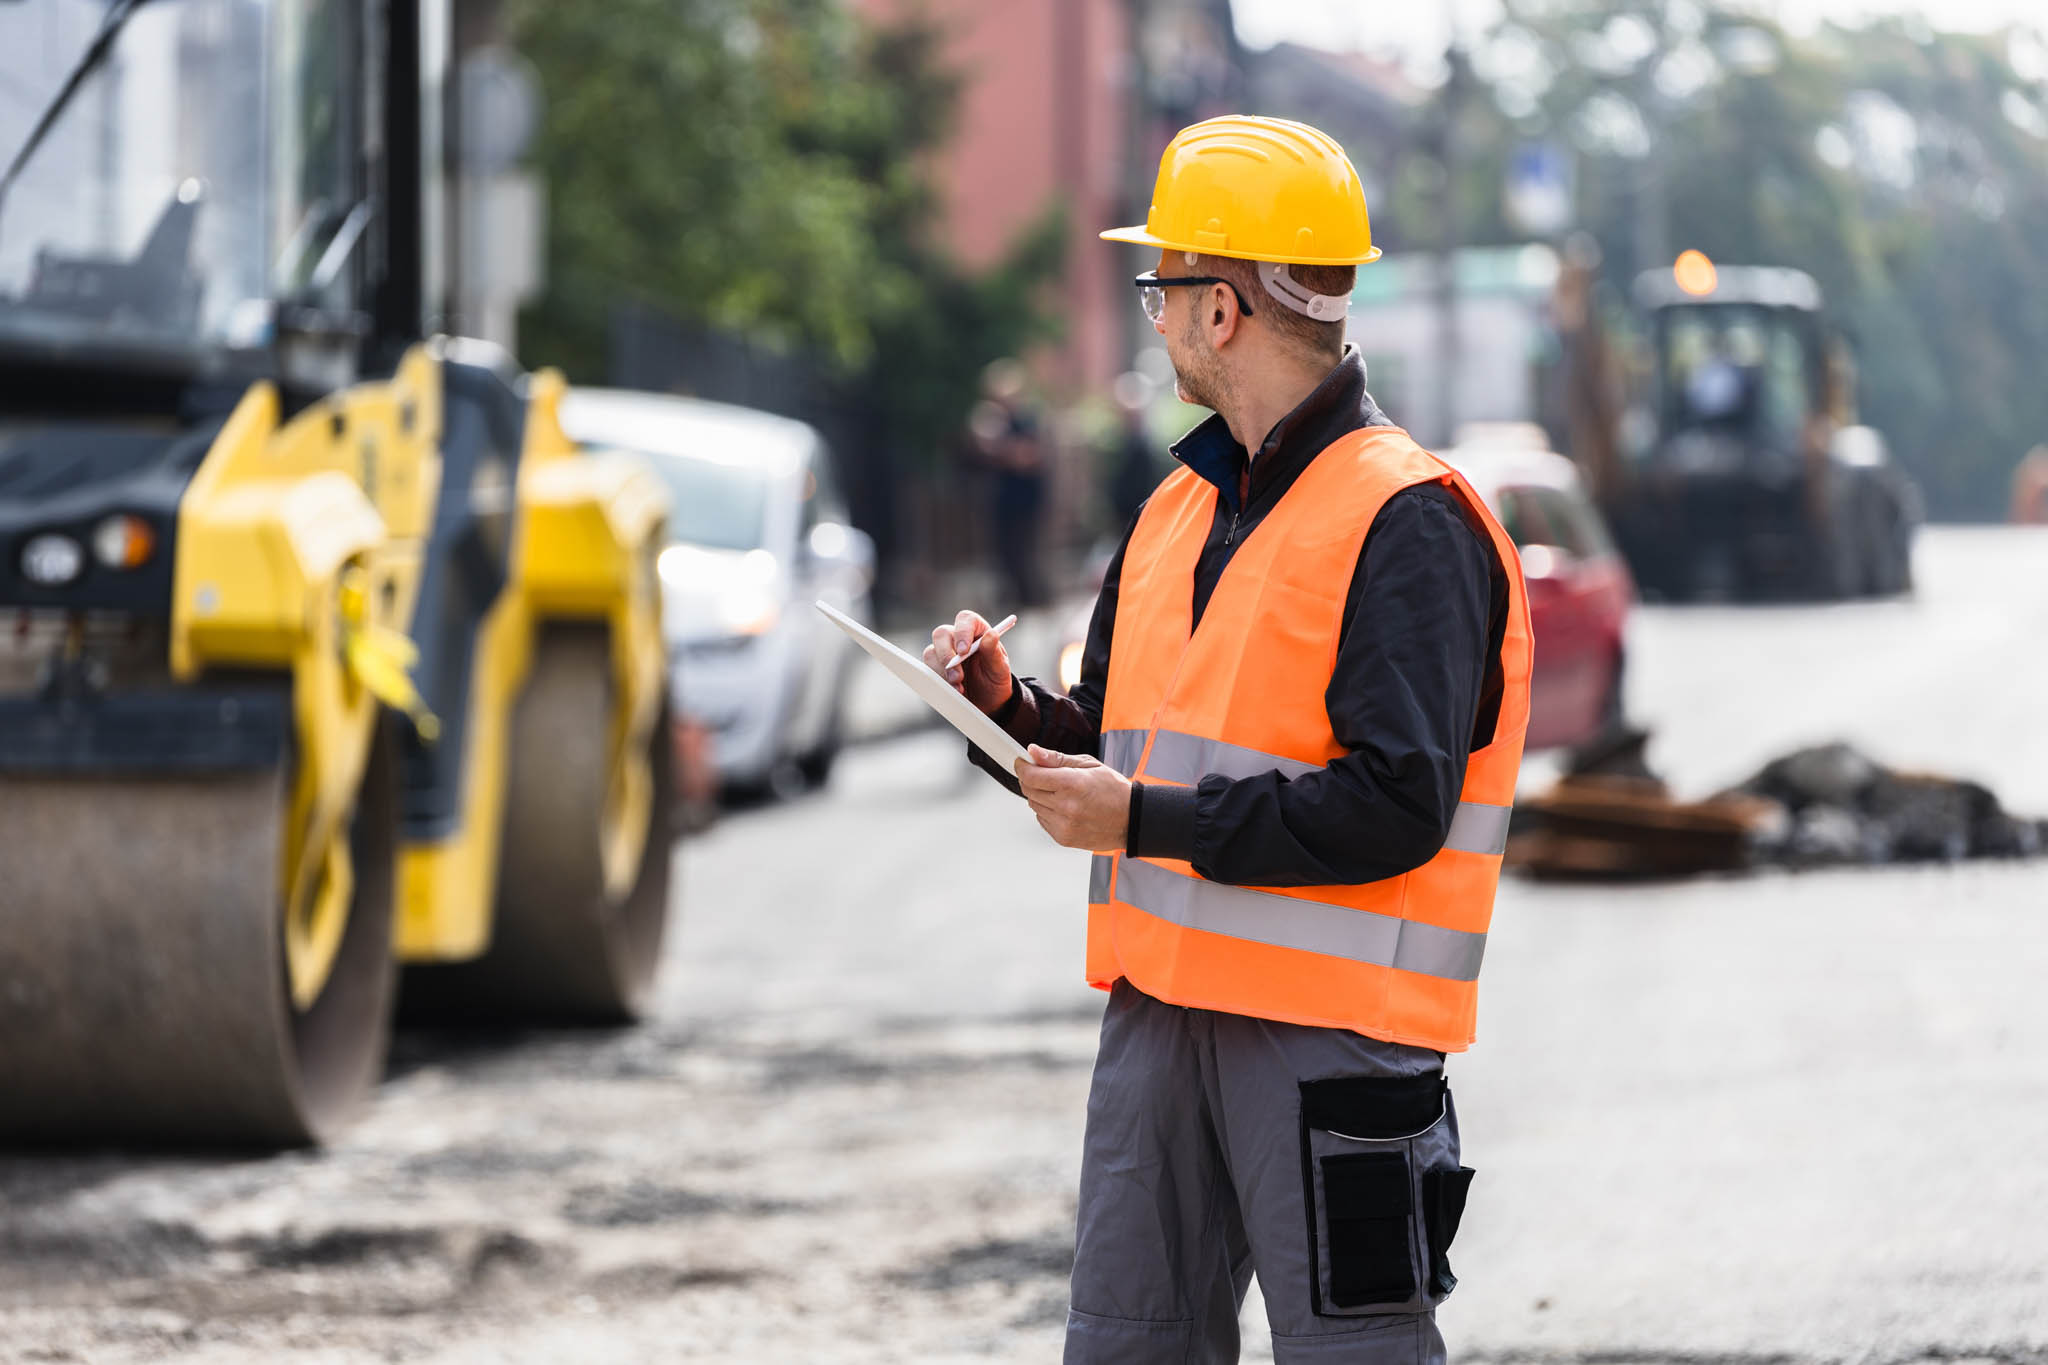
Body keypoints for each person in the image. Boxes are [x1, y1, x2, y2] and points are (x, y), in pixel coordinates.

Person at [922, 115, 1532, 1364]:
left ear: (1222, 312)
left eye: (1163, 289)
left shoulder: (1407, 520)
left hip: (1332, 1045)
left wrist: (1138, 820)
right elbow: (1118, 736)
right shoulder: (1171, 508)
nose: (1151, 317)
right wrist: (1008, 710)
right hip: (1159, 1021)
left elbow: (1392, 805)